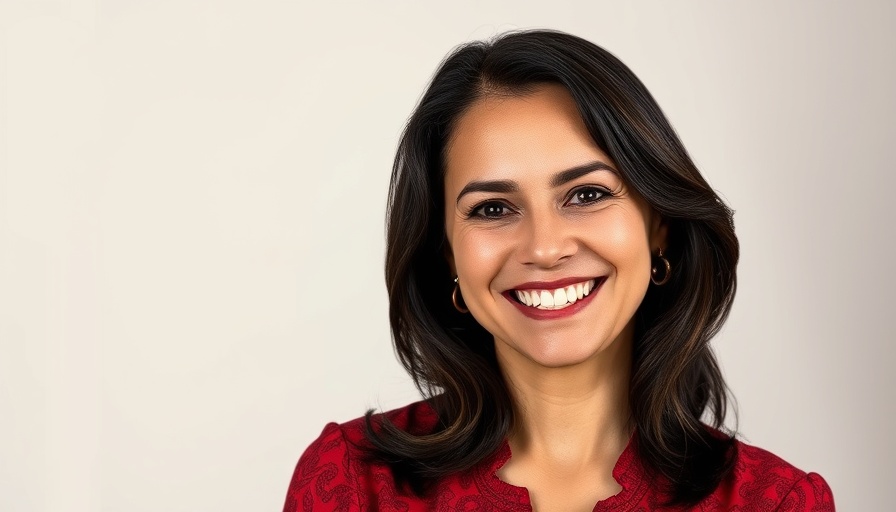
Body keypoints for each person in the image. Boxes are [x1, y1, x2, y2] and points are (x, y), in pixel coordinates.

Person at [281, 30, 835, 511]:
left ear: (658, 226)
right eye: (493, 209)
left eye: (587, 194)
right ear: (448, 252)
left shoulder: (775, 503)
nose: (545, 248)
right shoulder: (353, 487)